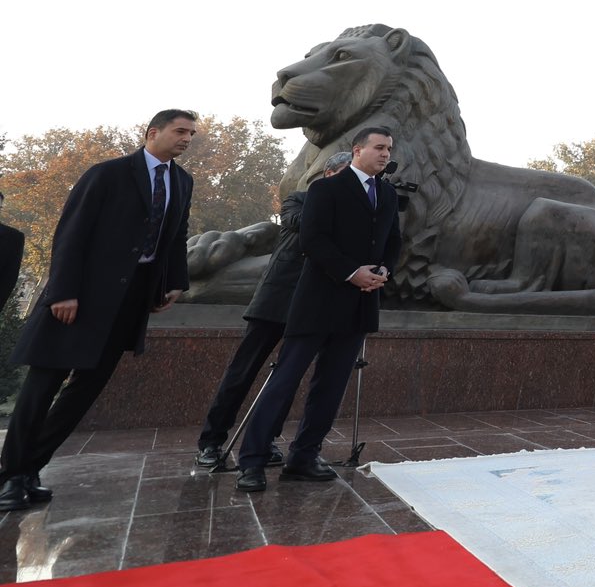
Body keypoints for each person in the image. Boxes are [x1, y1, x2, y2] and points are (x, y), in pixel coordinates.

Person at [1, 110, 194, 511]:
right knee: (43, 387)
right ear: (152, 132)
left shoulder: (182, 181)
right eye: (179, 131)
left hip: (129, 302)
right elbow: (71, 233)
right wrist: (63, 292)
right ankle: (10, 476)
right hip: (79, 299)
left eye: (191, 133)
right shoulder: (107, 174)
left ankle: (31, 467)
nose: (186, 139)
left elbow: (175, 236)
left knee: (84, 392)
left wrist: (173, 282)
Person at [234, 126, 401, 491]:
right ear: (358, 150)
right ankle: (253, 461)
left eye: (388, 149)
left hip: (359, 304)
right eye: (378, 147)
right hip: (318, 300)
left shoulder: (387, 194)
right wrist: (351, 272)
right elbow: (313, 240)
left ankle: (304, 456)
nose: (385, 154)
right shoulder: (326, 189)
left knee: (332, 384)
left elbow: (392, 241)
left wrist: (383, 270)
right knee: (286, 378)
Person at [195, 153, 346, 468]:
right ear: (330, 174)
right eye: (347, 174)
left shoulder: (355, 212)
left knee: (287, 376)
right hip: (276, 299)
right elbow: (301, 226)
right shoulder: (300, 200)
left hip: (312, 305)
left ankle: (266, 439)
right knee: (242, 371)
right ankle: (211, 441)